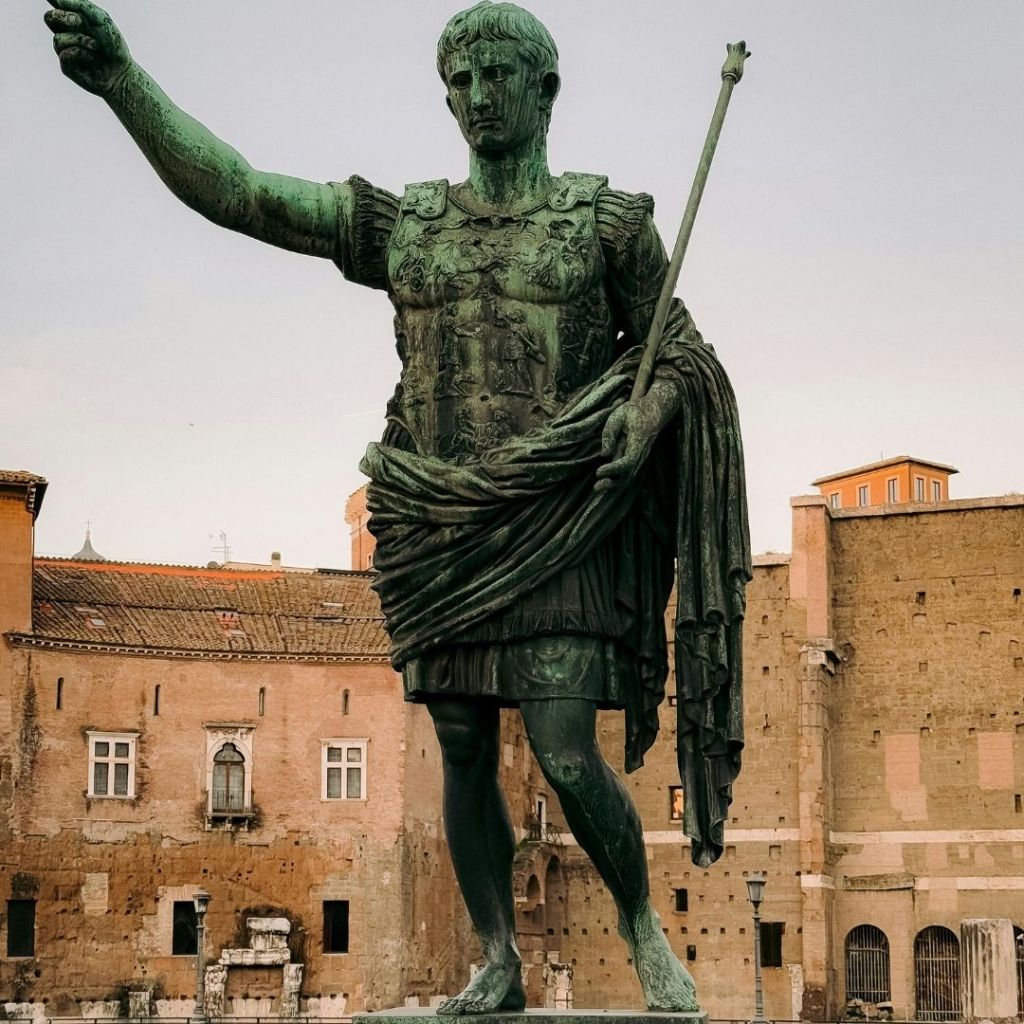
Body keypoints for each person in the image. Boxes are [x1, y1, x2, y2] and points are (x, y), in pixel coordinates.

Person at [44, 0, 750, 1014]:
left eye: (495, 75)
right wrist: (121, 83)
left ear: (544, 89)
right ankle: (498, 957)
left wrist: (646, 421)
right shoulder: (408, 224)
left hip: (558, 520)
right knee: (461, 741)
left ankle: (643, 930)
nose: (475, 97)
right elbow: (243, 193)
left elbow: (680, 357)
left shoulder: (608, 223)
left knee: (559, 742)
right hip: (435, 523)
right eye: (458, 80)